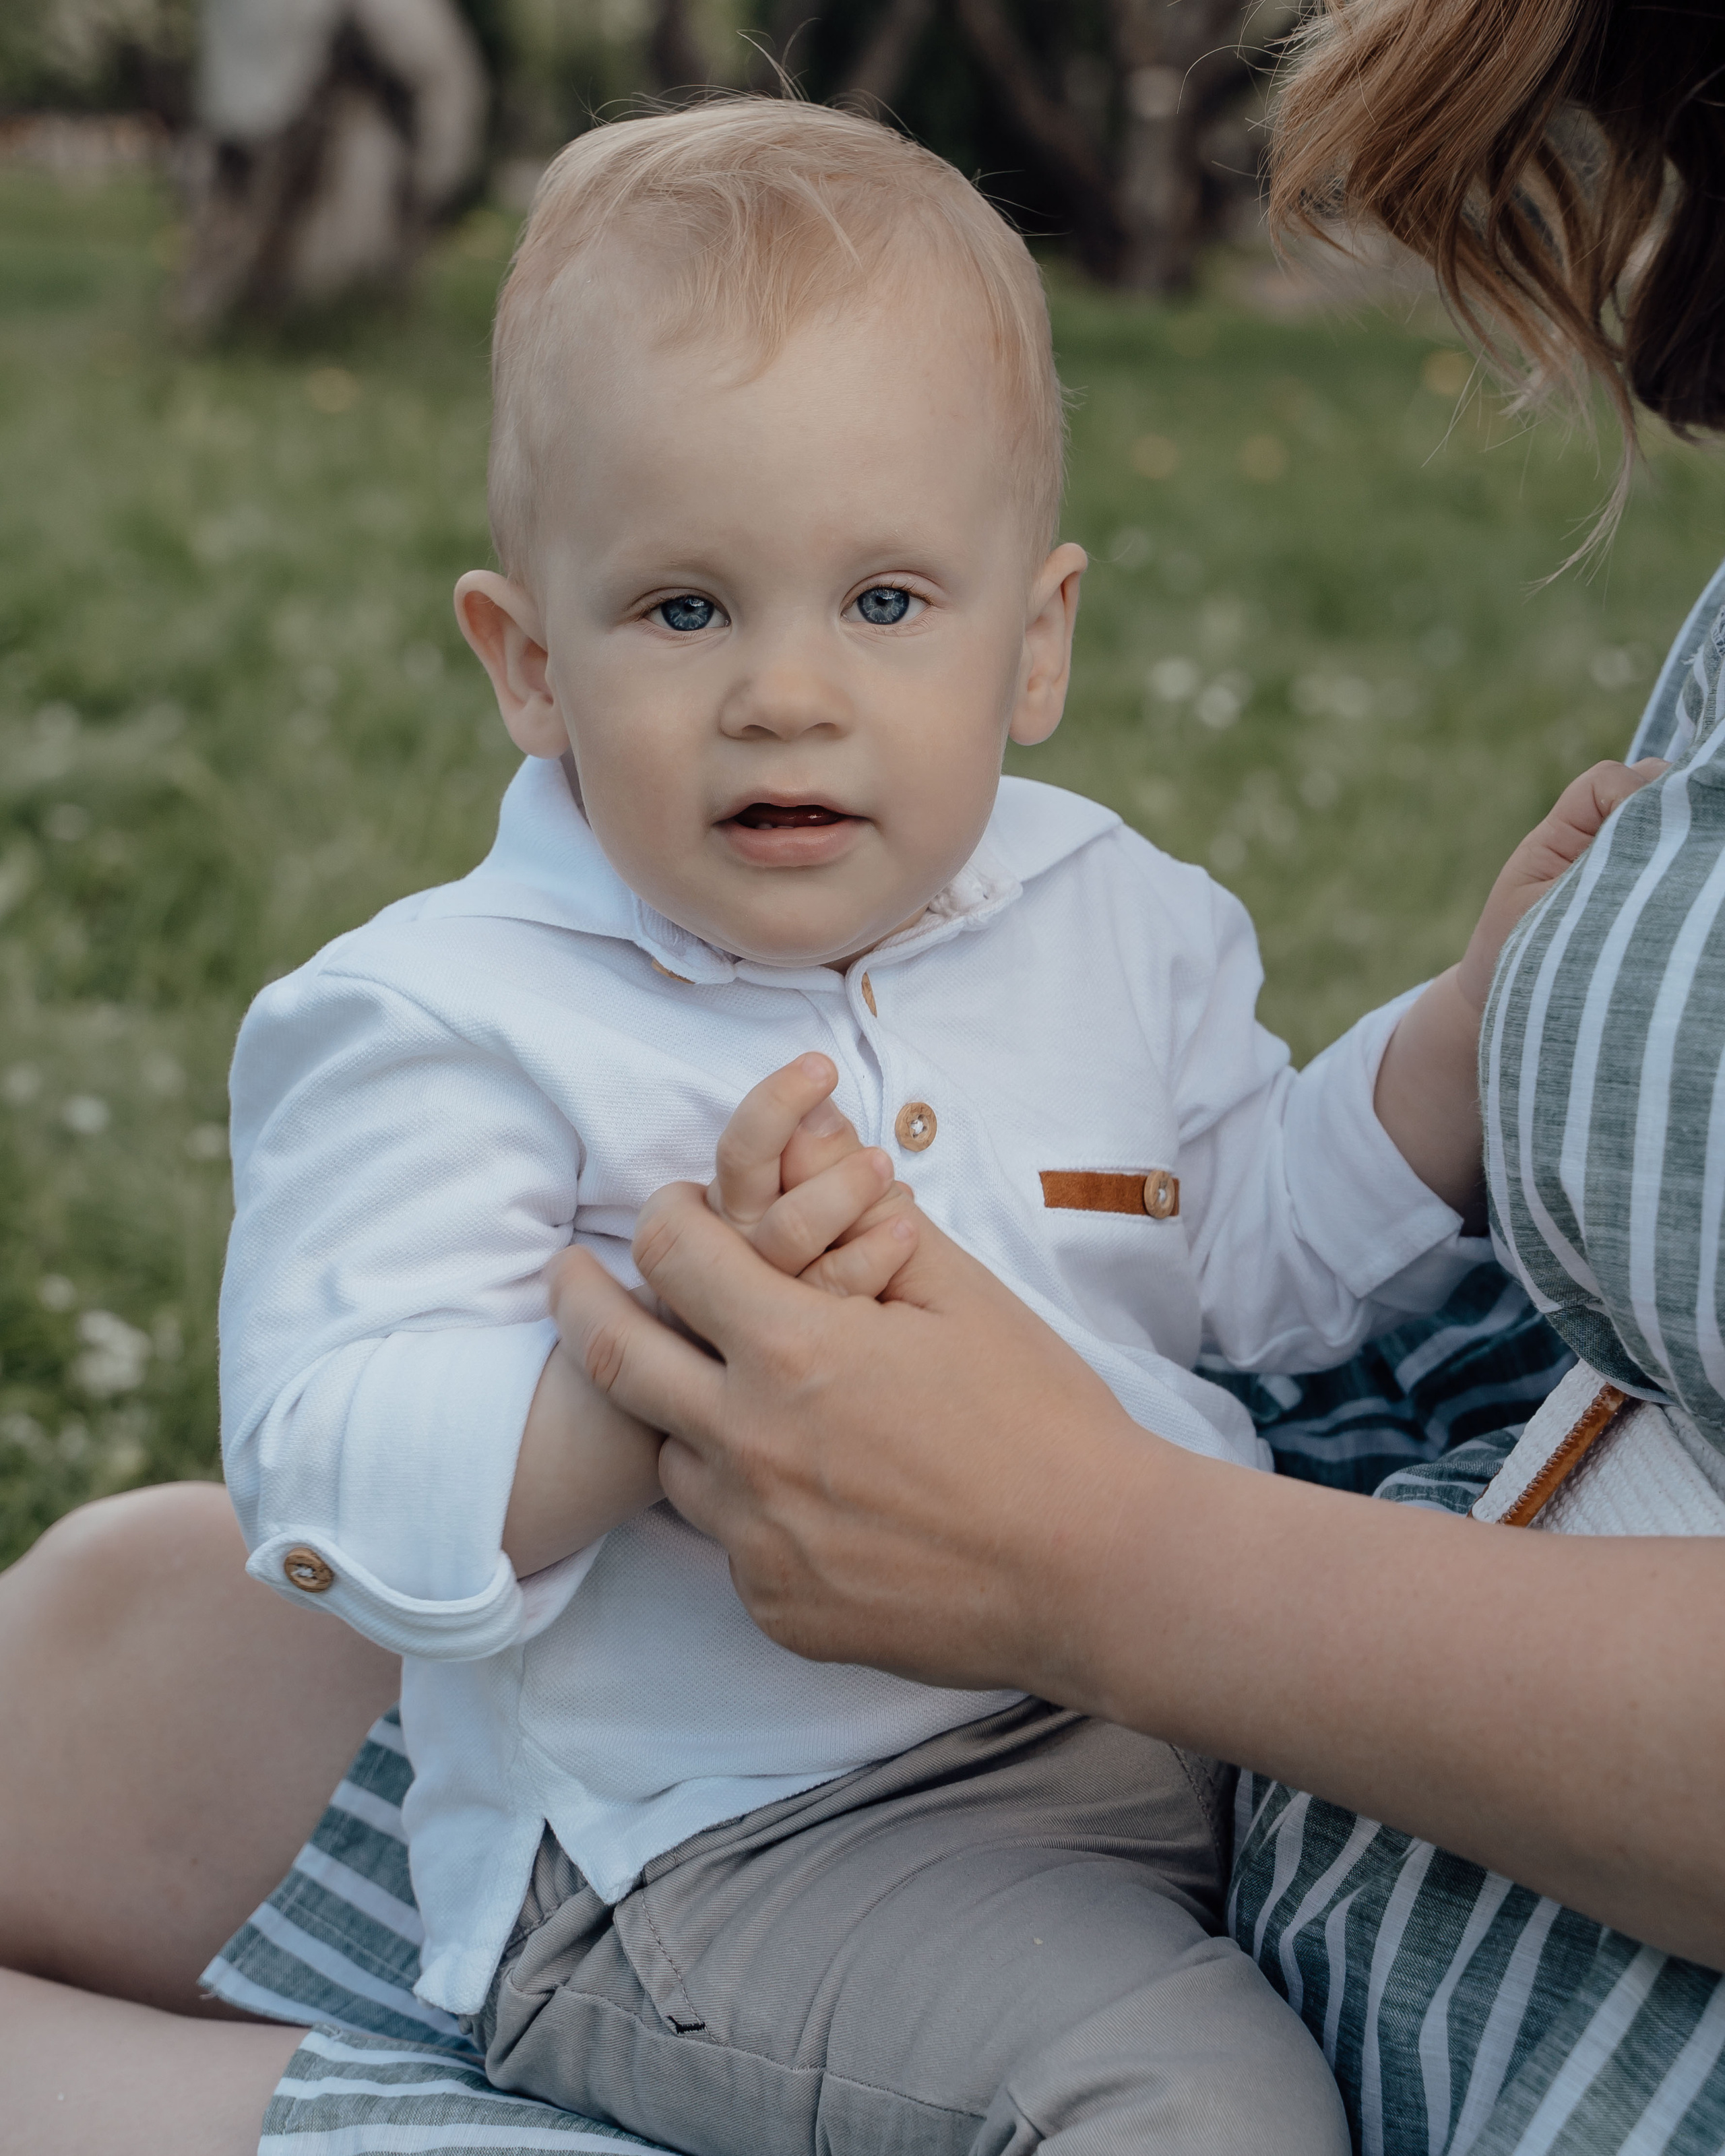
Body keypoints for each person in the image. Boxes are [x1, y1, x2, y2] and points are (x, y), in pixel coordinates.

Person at [3, 1, 1722, 2150]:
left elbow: (1247, 1256)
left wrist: (1453, 1050)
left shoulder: (1114, 914)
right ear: (526, 659)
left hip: (1126, 1749)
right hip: (732, 1848)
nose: (789, 695)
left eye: (888, 600)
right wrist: (648, 1390)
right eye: (685, 610)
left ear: (1040, 641)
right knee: (1192, 2108)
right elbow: (330, 1474)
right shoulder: (448, 1015)